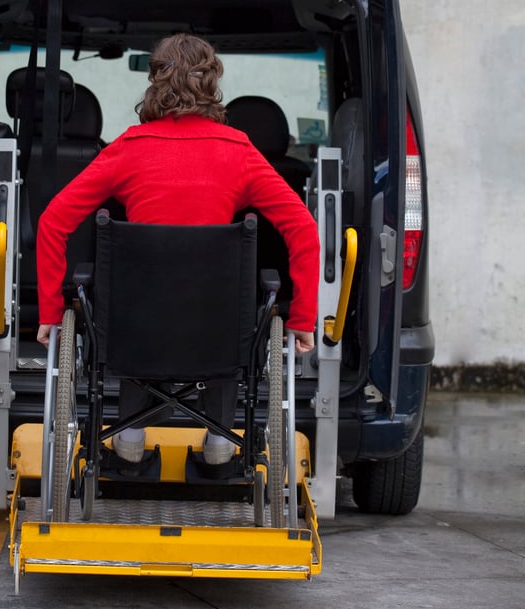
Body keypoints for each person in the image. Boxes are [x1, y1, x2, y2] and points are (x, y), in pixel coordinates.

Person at [36, 33, 320, 465]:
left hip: (136, 331)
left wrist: (50, 313)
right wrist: (302, 317)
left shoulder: (128, 148)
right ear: (211, 84)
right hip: (217, 333)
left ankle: (129, 437)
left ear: (154, 81)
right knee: (230, 311)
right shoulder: (240, 152)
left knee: (136, 305)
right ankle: (221, 442)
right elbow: (303, 230)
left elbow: (53, 222)